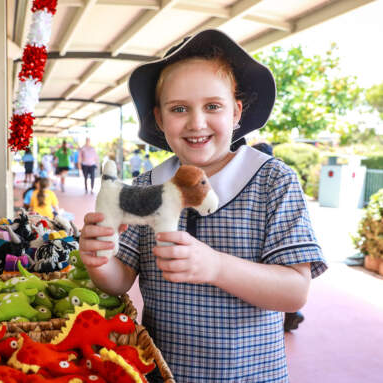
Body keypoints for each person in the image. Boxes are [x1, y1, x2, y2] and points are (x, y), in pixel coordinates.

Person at [78, 29, 327, 382]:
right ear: (160, 120)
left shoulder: (273, 181)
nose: (197, 122)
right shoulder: (146, 186)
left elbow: (294, 291)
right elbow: (120, 281)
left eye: (213, 106)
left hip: (253, 375)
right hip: (164, 372)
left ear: (237, 112)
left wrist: (215, 267)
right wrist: (99, 260)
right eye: (179, 109)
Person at [251, 142, 306, 332]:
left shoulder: (274, 177)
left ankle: (290, 312)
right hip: (285, 236)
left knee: (271, 281)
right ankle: (292, 313)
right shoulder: (280, 174)